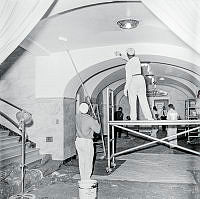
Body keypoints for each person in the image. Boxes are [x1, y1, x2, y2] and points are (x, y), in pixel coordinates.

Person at [115, 48, 153, 120]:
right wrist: (120, 55)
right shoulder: (137, 59)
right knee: (143, 100)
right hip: (141, 79)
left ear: (127, 55)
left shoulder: (128, 65)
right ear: (134, 54)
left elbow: (128, 78)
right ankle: (149, 117)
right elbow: (129, 58)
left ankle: (133, 118)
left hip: (133, 80)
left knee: (132, 100)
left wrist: (125, 89)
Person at [75, 102, 101, 180]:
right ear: (88, 109)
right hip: (87, 142)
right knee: (88, 160)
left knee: (81, 160)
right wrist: (96, 121)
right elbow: (98, 130)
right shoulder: (90, 119)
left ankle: (83, 177)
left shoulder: (76, 116)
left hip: (78, 140)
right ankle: (87, 178)